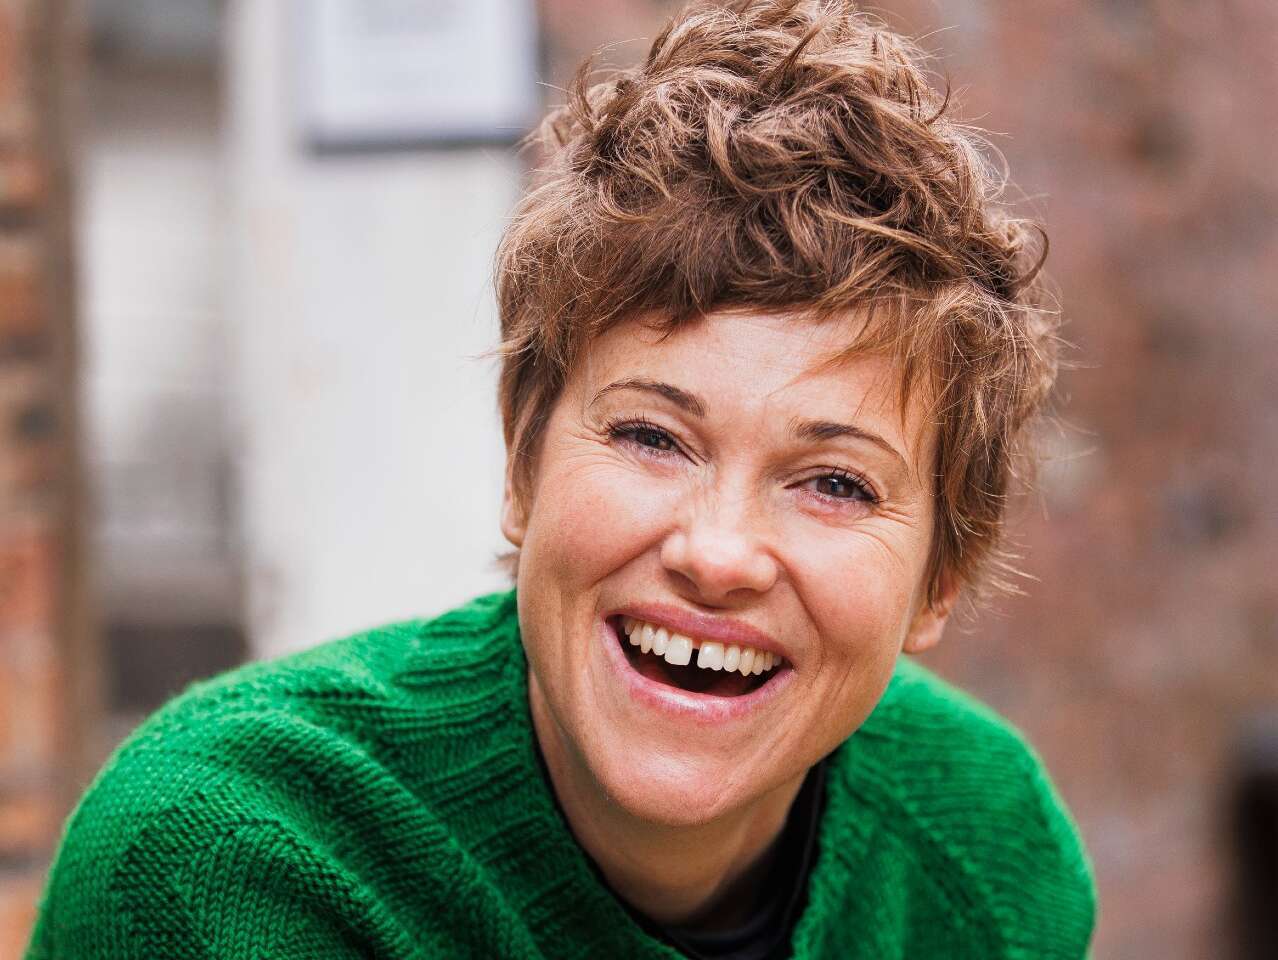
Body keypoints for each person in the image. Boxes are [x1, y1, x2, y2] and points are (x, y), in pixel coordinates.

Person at [26, 2, 1096, 957]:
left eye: (836, 485)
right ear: (523, 464)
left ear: (941, 579)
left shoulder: (986, 858)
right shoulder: (221, 865)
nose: (718, 554)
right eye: (653, 437)